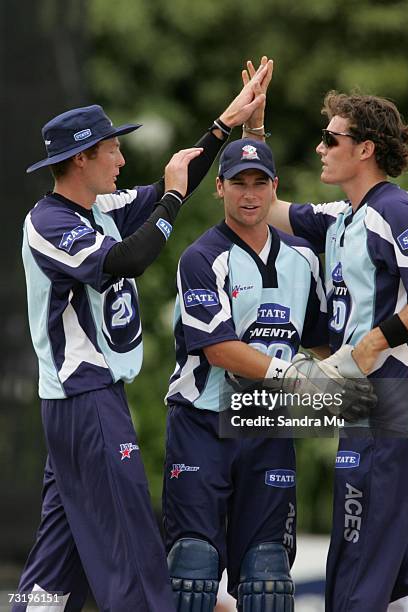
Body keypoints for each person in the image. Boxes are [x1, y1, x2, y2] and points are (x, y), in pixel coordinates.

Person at [16, 61, 272, 612]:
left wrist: (225, 125)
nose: (122, 158)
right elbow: (130, 258)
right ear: (82, 157)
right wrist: (173, 200)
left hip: (85, 403)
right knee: (134, 555)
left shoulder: (97, 207)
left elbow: (172, 185)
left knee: (55, 562)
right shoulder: (49, 222)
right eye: (112, 149)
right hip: (87, 401)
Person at [264, 90, 408, 611]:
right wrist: (252, 134)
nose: (320, 148)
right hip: (378, 408)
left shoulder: (393, 208)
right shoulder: (343, 216)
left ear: (365, 150)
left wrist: (373, 342)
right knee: (403, 582)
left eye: (332, 138)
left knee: (356, 571)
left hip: (392, 403)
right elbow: (260, 204)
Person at [162, 137, 375, 612]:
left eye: (261, 183)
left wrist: (357, 375)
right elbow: (219, 350)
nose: (250, 194)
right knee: (191, 572)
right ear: (219, 188)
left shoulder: (302, 257)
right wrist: (294, 376)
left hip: (267, 423)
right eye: (239, 183)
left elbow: (324, 342)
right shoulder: (201, 258)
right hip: (203, 421)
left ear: (274, 187)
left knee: (267, 577)